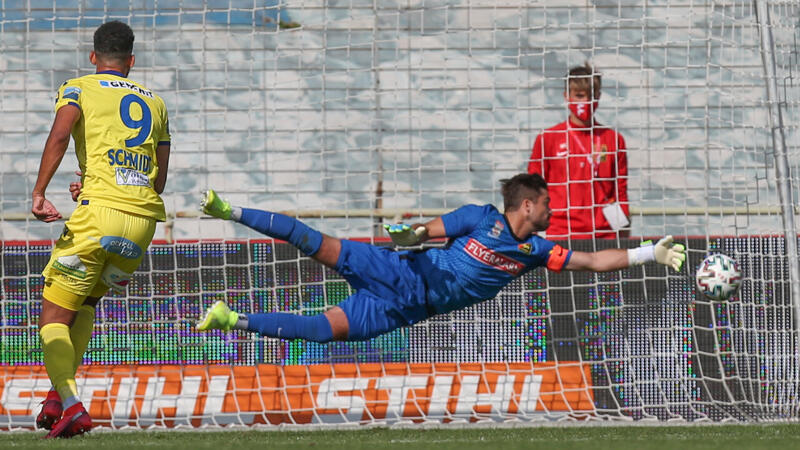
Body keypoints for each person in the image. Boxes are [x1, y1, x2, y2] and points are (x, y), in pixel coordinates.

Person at [195, 173, 684, 343]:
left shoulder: (534, 252)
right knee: (315, 242)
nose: (554, 210)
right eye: (548, 203)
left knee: (323, 331)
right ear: (528, 205)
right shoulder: (481, 217)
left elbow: (594, 263)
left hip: (409, 307)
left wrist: (650, 253)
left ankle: (230, 318)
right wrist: (409, 235)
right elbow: (426, 231)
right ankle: (228, 208)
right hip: (403, 271)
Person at [31, 21, 171, 438]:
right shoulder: (157, 103)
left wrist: (39, 192)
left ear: (94, 57)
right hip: (142, 225)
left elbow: (60, 135)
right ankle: (59, 395)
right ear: (131, 61)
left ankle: (72, 404)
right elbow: (157, 181)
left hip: (99, 218)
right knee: (87, 302)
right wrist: (90, 182)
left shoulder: (78, 87)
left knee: (53, 318)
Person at [527, 63, 628, 239]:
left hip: (604, 233)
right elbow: (533, 188)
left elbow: (620, 191)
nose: (585, 102)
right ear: (567, 96)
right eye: (579, 96)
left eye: (591, 96)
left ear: (599, 97)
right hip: (560, 231)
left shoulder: (613, 139)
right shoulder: (548, 138)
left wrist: (623, 229)